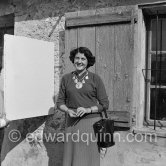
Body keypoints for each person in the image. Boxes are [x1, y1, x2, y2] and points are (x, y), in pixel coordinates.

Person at [56, 47, 109, 166]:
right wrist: (68, 110)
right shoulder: (66, 79)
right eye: (77, 58)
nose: (79, 61)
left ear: (88, 61)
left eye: (83, 59)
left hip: (91, 125)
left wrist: (88, 109)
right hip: (71, 124)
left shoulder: (95, 79)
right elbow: (59, 102)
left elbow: (104, 104)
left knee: (88, 158)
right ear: (73, 60)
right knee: (72, 157)